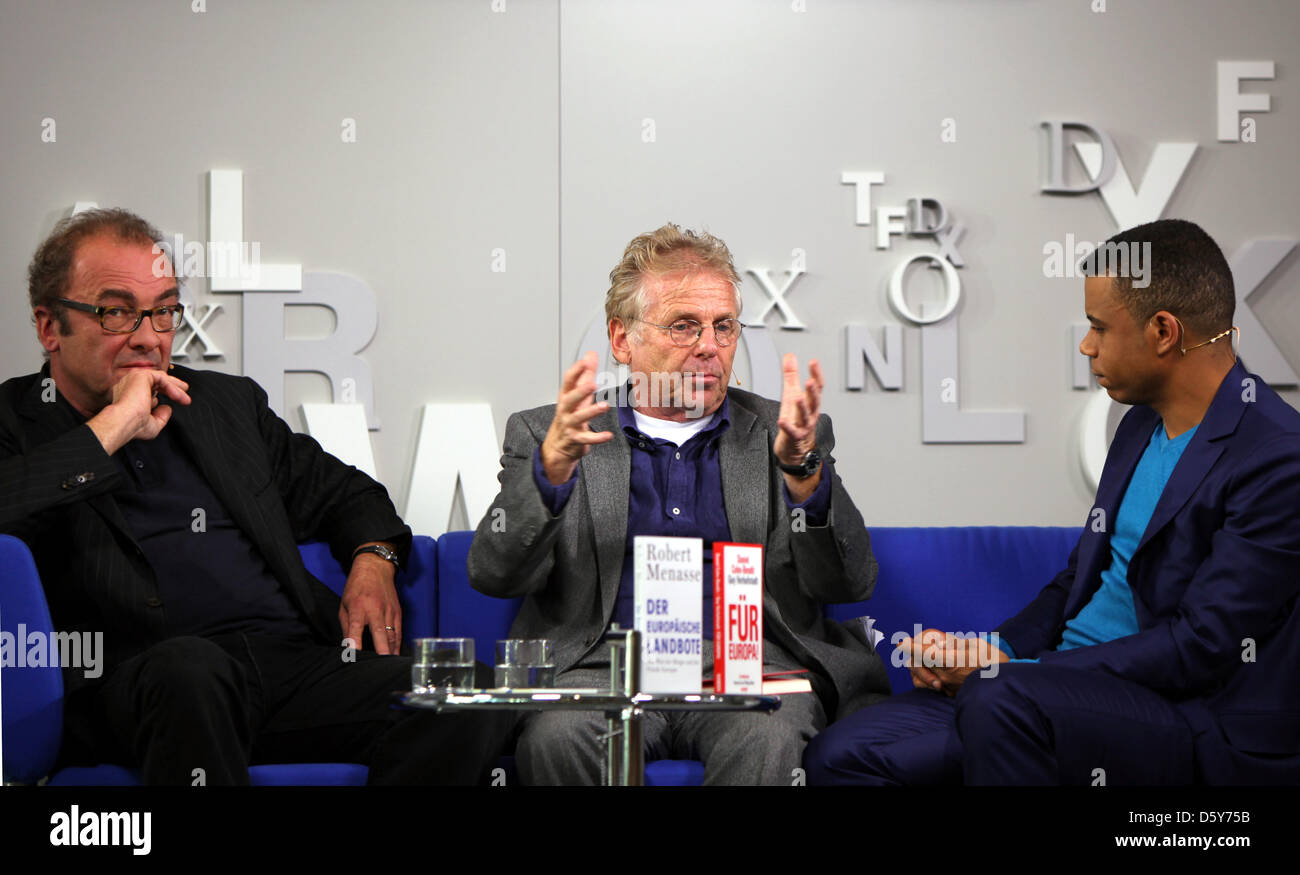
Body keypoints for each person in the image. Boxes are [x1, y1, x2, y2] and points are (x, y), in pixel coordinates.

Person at [0, 208, 512, 785]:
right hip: (140, 679)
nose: (148, 337)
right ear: (49, 327)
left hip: (288, 664)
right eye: (116, 312)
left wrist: (375, 559)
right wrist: (115, 423)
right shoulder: (14, 424)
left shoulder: (224, 406)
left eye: (164, 311)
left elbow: (346, 494)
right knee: (191, 670)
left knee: (467, 689)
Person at [804, 218, 1300, 785]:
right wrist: (992, 647)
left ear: (1163, 332)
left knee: (998, 700)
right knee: (839, 756)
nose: (1087, 346)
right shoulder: (1139, 425)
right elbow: (1078, 582)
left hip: (1187, 716)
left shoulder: (1277, 457)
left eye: (1098, 328)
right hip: (1044, 691)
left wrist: (1019, 669)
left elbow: (1200, 647)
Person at [468, 223, 887, 785]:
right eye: (684, 326)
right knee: (561, 735)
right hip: (600, 673)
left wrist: (803, 474)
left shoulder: (779, 433)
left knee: (766, 735)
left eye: (723, 326)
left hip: (749, 670)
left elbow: (849, 583)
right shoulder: (551, 433)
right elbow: (494, 573)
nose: (710, 347)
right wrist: (550, 475)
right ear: (622, 339)